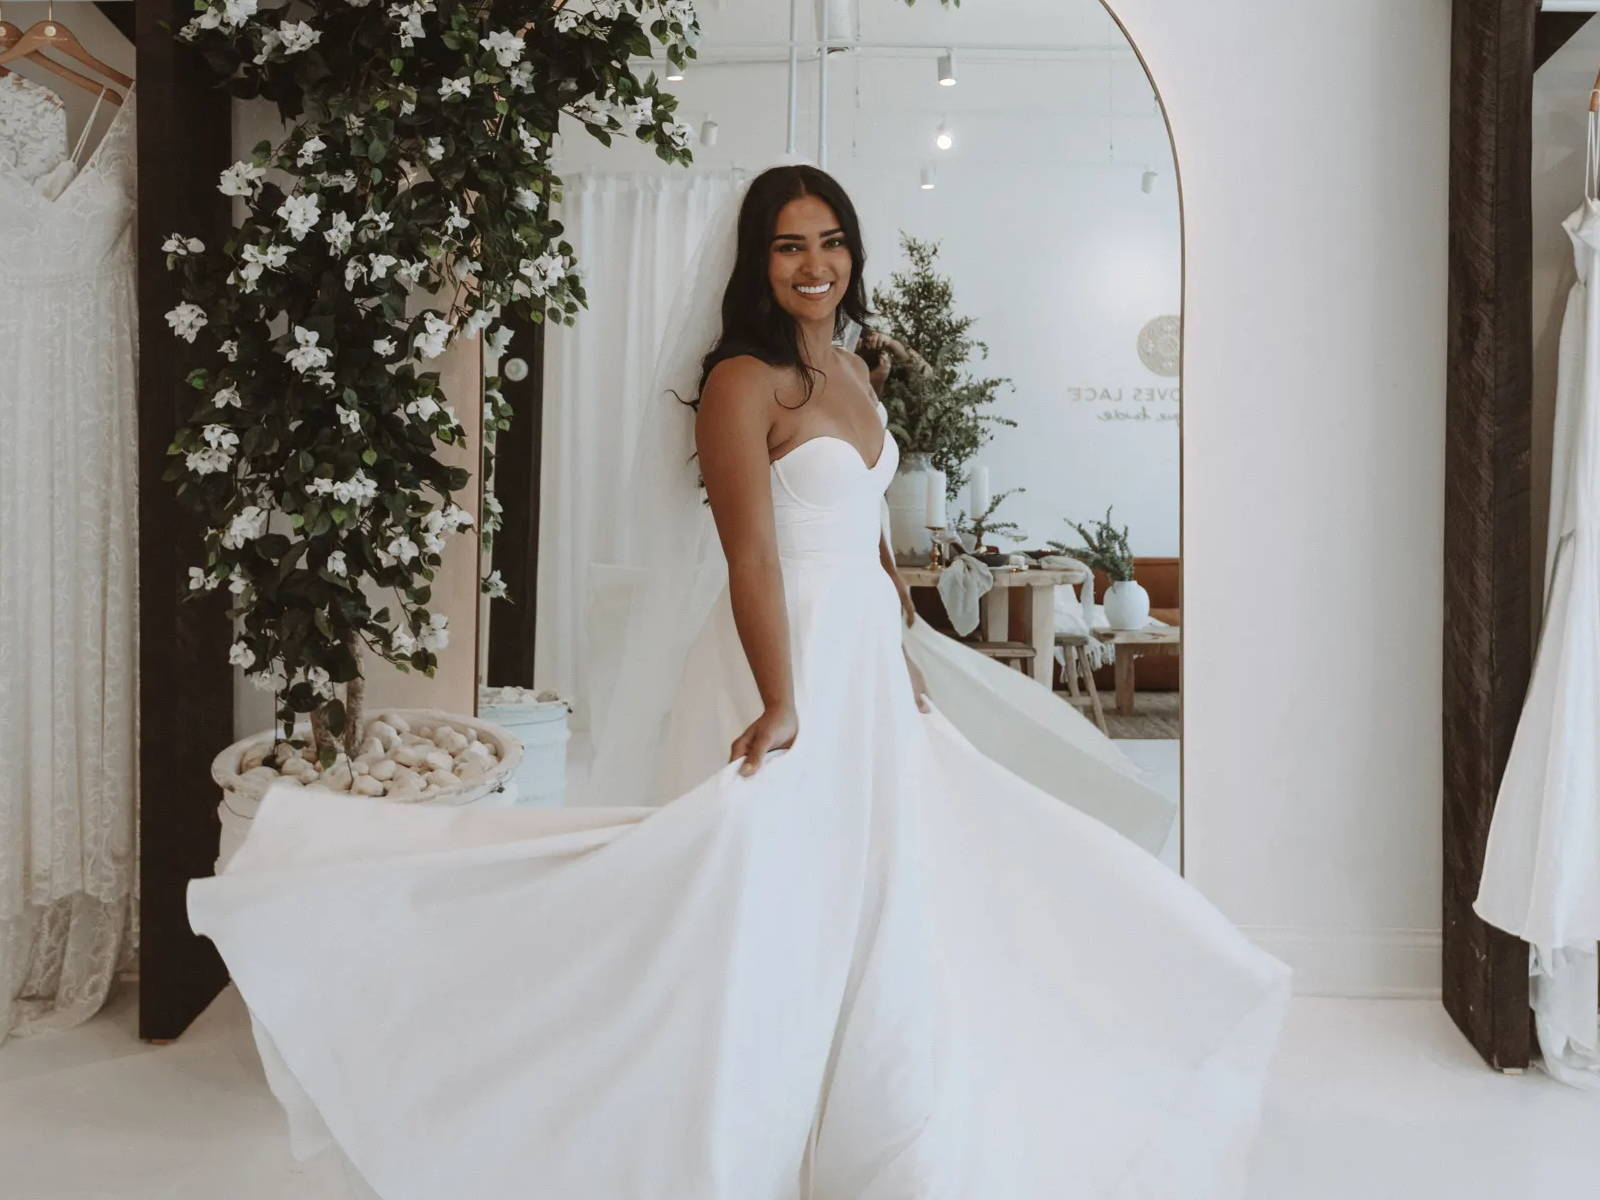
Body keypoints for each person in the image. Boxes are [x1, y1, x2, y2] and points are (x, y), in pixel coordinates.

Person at [188, 163, 1291, 1200]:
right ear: (754, 264)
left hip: (859, 657)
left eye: (830, 242)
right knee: (761, 893)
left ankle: (864, 1106)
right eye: (786, 247)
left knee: (875, 879)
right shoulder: (740, 380)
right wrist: (783, 696)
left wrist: (893, 620)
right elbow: (753, 553)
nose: (814, 264)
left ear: (853, 252)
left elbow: (854, 519)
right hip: (783, 657)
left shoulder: (854, 368)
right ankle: (713, 1119)